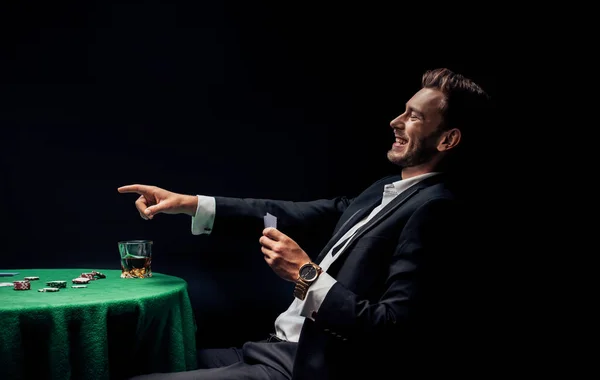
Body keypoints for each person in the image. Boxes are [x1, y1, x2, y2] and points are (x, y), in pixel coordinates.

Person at [118, 67, 493, 379]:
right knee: (129, 362)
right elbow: (293, 213)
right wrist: (188, 204)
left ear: (448, 140)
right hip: (271, 348)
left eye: (414, 116)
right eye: (403, 111)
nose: (396, 121)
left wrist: (305, 273)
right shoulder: (386, 188)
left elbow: (392, 328)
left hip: (307, 367)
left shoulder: (439, 211)